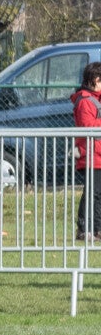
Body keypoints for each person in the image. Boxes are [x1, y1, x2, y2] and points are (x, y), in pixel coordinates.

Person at [74, 62, 101, 240]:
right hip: (91, 155)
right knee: (93, 193)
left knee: (96, 193)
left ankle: (95, 228)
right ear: (96, 80)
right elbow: (87, 126)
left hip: (97, 154)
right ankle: (86, 229)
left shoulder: (95, 99)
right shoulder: (85, 101)